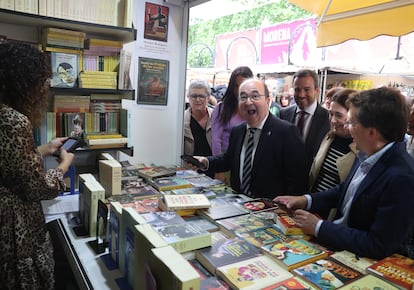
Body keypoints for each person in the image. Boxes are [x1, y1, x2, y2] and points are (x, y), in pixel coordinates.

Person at [275, 87, 414, 260]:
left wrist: (319, 227)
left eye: (351, 123)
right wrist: (306, 200)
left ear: (372, 132)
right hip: (337, 245)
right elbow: (345, 190)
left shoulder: (402, 177)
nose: (347, 128)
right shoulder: (367, 152)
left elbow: (378, 245)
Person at [0, 43, 75, 289]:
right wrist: (63, 166)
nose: (46, 86)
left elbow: (11, 164)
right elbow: (36, 186)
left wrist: (44, 149)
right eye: (42, 80)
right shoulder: (14, 121)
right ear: (24, 81)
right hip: (15, 227)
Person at [195, 78, 308, 199]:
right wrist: (205, 161)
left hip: (271, 209)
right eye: (243, 97)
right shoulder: (238, 131)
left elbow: (298, 181)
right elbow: (228, 160)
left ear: (268, 100)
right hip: (239, 205)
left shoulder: (286, 132)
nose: (248, 102)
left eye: (255, 96)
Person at [308, 88, 358, 219]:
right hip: (313, 208)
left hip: (333, 216)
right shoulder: (329, 137)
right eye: (331, 114)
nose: (333, 120)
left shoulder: (361, 151)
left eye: (339, 115)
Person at [280, 69, 330, 173]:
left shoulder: (328, 118)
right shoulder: (284, 114)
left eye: (307, 89)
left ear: (317, 91)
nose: (301, 95)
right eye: (297, 90)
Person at [211, 66, 253, 183]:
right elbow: (216, 140)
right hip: (226, 158)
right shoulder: (222, 108)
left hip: (248, 159)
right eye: (236, 86)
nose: (240, 90)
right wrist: (219, 169)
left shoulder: (254, 108)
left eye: (244, 85)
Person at [183, 79, 214, 177]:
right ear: (188, 97)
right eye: (193, 96)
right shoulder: (181, 119)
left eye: (201, 96)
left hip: (214, 169)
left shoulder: (216, 117)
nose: (197, 100)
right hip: (191, 172)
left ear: (208, 97)